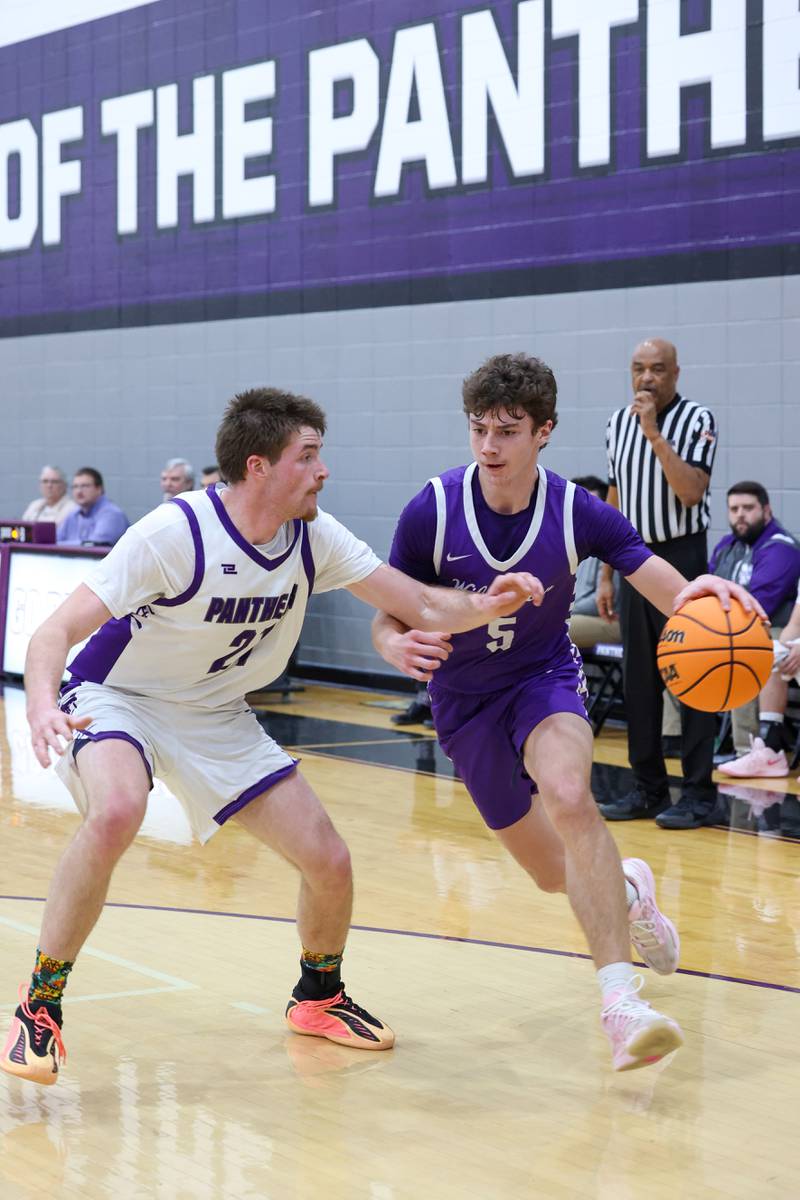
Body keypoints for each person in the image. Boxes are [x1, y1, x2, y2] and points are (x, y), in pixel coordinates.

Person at [0, 387, 539, 1086]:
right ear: (259, 467)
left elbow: (421, 603)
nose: (322, 471)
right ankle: (39, 1005)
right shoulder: (174, 534)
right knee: (117, 810)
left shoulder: (314, 537)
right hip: (118, 696)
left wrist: (490, 602)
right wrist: (42, 705)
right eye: (308, 456)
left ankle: (319, 995)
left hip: (217, 712)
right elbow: (55, 632)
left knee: (330, 861)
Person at [371, 353, 763, 1071]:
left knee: (571, 793)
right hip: (462, 706)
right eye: (479, 429)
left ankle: (621, 1002)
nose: (489, 446)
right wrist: (394, 646)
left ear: (544, 431)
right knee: (555, 875)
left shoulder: (576, 509)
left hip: (542, 679)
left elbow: (667, 589)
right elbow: (393, 615)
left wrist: (709, 596)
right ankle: (629, 892)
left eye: (508, 430)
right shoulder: (431, 507)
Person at [597, 338, 720, 830]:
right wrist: (605, 571)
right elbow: (614, 495)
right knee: (640, 680)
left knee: (693, 675)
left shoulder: (697, 419)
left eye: (658, 369)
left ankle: (698, 794)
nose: (647, 378)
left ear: (676, 373)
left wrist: (653, 433)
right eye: (638, 369)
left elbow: (691, 492)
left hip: (682, 556)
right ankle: (647, 788)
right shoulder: (614, 424)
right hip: (632, 558)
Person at [711, 484, 800, 776]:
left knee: (750, 649)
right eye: (734, 509)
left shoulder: (781, 547)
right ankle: (767, 751)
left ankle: (748, 747)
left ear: (766, 510)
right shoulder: (726, 545)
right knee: (769, 653)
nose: (740, 515)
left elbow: (761, 602)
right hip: (738, 628)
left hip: (755, 625)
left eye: (747, 508)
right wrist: (787, 648)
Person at [567, 475, 621, 649]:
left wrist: (557, 611)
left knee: (546, 630)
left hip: (609, 620)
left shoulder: (613, 540)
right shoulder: (566, 541)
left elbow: (601, 604)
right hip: (574, 615)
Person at [57, 468, 129, 547]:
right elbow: (55, 541)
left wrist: (57, 545)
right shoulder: (73, 515)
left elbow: (94, 544)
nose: (79, 491)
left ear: (99, 489)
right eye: (75, 487)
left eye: (85, 486)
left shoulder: (112, 514)